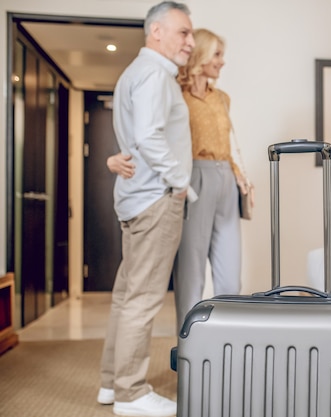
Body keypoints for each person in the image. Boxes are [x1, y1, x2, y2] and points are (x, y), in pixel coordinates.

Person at [108, 28, 253, 334]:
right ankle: (191, 351)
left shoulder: (223, 99)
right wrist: (113, 158)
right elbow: (147, 133)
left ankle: (228, 348)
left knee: (230, 278)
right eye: (217, 54)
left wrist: (238, 175)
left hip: (226, 179)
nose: (222, 62)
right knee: (191, 274)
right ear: (200, 56)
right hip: (191, 178)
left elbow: (225, 145)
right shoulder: (174, 93)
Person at [97, 2, 195, 417]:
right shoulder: (155, 74)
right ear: (157, 31)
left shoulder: (135, 73)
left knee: (126, 297)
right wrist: (180, 183)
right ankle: (131, 393)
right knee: (142, 299)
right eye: (183, 32)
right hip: (155, 199)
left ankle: (110, 384)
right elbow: (150, 138)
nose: (190, 41)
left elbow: (137, 140)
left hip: (136, 198)